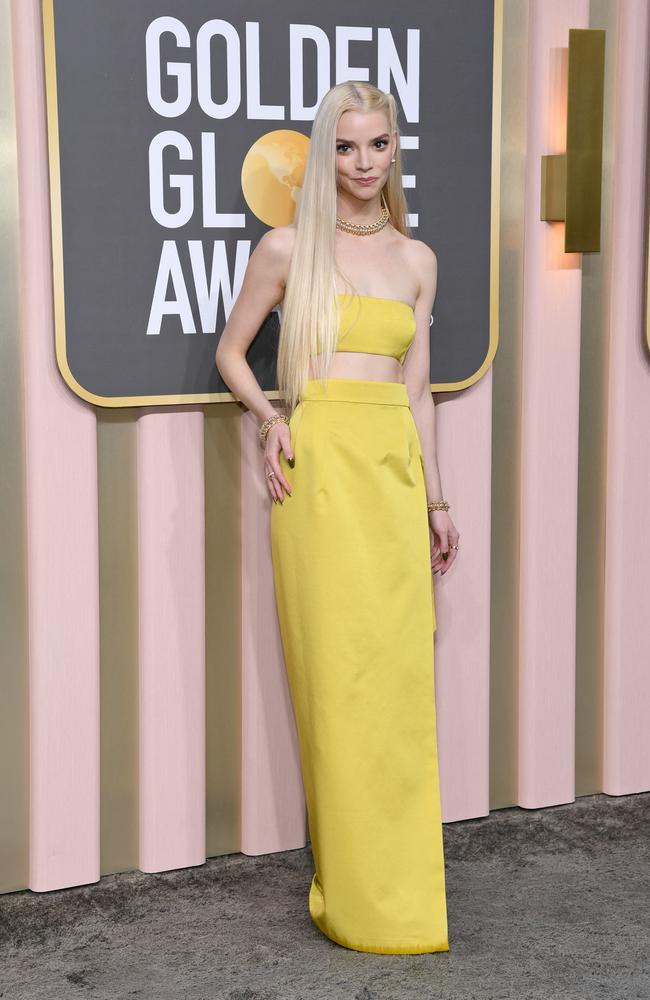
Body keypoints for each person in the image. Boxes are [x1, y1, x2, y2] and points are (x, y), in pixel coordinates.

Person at [216, 81, 460, 954]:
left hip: (392, 477)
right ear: (327, 155)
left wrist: (436, 497)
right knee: (337, 684)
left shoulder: (418, 259)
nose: (364, 164)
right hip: (317, 482)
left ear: (396, 149)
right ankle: (349, 890)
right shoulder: (287, 247)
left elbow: (420, 393)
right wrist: (273, 418)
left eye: (379, 145)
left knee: (394, 690)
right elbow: (231, 352)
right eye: (348, 147)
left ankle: (402, 896)